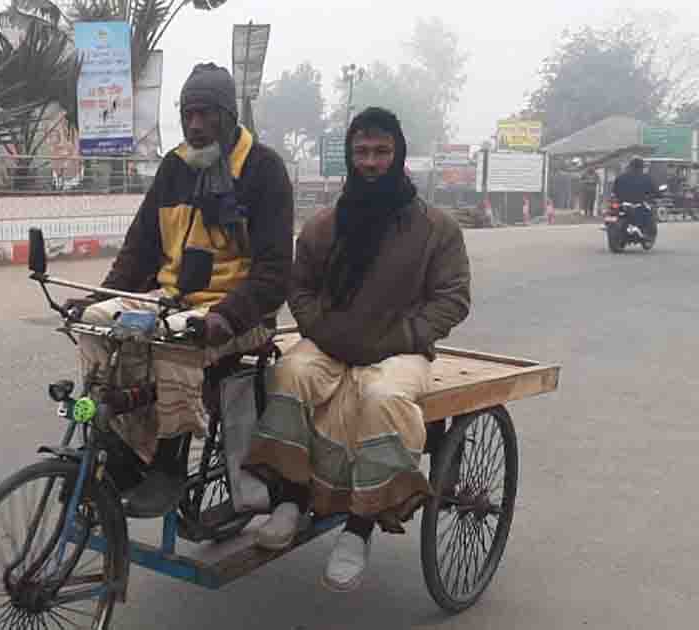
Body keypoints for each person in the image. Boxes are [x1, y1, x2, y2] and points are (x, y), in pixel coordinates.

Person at [238, 107, 471, 592]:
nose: (370, 162)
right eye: (361, 152)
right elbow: (297, 286)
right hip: (331, 343)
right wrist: (321, 328)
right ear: (349, 156)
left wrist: (397, 338)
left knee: (381, 400)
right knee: (290, 376)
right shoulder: (325, 225)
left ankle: (360, 528)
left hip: (400, 351)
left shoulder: (436, 229)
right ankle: (289, 497)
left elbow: (452, 300)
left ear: (398, 154)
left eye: (380, 151)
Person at [67, 63, 294, 517]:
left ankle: (170, 466)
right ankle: (122, 446)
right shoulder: (174, 167)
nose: (195, 124)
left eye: (206, 114)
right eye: (188, 113)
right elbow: (139, 251)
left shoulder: (264, 170)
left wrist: (226, 316)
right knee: (95, 327)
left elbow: (274, 273)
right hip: (171, 301)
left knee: (173, 344)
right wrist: (101, 299)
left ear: (229, 117)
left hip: (237, 316)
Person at [612, 157, 658, 240]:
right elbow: (655, 191)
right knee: (649, 213)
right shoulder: (646, 178)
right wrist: (659, 194)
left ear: (630, 166)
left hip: (622, 203)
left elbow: (614, 190)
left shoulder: (620, 177)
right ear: (641, 167)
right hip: (638, 203)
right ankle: (647, 233)